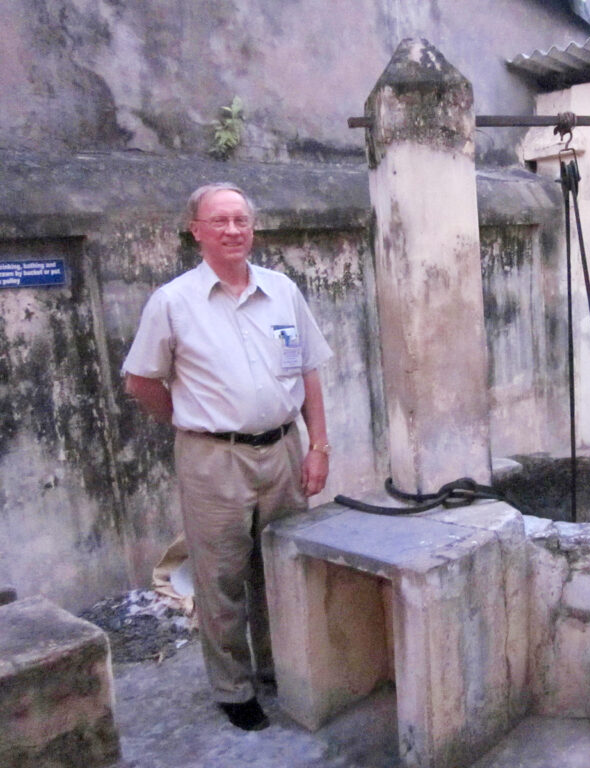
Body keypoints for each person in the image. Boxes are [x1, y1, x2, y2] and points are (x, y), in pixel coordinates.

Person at [122, 182, 333, 729]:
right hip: (213, 460)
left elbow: (308, 370)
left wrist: (319, 447)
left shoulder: (282, 290)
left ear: (253, 228)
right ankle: (234, 688)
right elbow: (141, 381)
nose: (233, 230)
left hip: (284, 451)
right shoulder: (173, 301)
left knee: (283, 568)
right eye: (219, 221)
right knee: (222, 578)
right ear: (196, 231)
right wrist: (191, 422)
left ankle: (279, 669)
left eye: (241, 220)